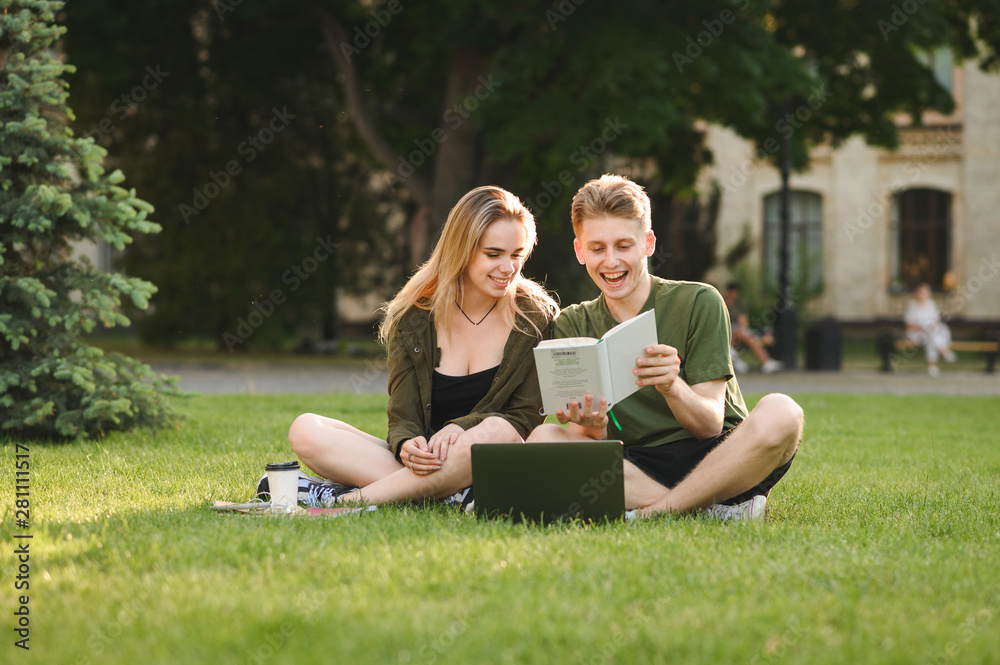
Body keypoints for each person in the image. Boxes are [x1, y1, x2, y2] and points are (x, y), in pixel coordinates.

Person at [258, 186, 558, 509]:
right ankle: (451, 496)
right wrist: (406, 443)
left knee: (499, 430)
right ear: (461, 250)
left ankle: (342, 501)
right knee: (305, 429)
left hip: (491, 459)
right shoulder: (414, 316)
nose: (508, 268)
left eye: (517, 254)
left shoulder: (536, 318)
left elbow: (524, 418)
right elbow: (403, 414)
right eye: (494, 254)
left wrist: (461, 427)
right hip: (423, 464)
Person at [527, 175, 803, 520]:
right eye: (597, 248)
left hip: (719, 457)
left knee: (783, 411)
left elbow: (709, 425)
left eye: (624, 246)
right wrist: (593, 427)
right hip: (638, 465)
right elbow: (585, 441)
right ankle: (709, 511)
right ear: (580, 251)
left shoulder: (700, 300)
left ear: (648, 243)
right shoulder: (571, 323)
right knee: (543, 440)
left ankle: (653, 513)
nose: (610, 262)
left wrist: (672, 386)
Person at [723, 282, 783, 374]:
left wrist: (742, 329)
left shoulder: (738, 304)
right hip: (726, 329)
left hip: (737, 330)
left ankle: (765, 361)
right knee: (732, 333)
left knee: (752, 338)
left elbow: (743, 319)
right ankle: (734, 360)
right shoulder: (722, 303)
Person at [904, 282, 954, 377]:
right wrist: (920, 328)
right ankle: (944, 351)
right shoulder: (912, 305)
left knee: (934, 335)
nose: (921, 295)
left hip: (930, 333)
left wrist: (932, 327)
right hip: (916, 334)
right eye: (919, 292)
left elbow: (936, 321)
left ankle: (932, 366)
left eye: (924, 293)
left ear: (928, 294)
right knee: (931, 335)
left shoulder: (931, 304)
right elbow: (908, 324)